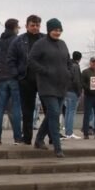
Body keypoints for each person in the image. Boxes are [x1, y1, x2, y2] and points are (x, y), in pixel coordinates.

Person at [29, 18, 72, 158]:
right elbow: (31, 60)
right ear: (49, 30)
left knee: (52, 114)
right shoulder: (40, 44)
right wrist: (45, 71)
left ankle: (39, 139)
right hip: (46, 85)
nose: (57, 33)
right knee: (54, 113)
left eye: (59, 30)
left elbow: (68, 61)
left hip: (61, 85)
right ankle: (58, 147)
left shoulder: (63, 44)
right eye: (55, 30)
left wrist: (69, 72)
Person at [7, 14, 44, 145]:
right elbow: (11, 59)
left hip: (43, 79)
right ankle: (27, 138)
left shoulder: (45, 39)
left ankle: (51, 136)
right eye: (32, 25)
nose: (35, 28)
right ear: (27, 26)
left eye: (37, 25)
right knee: (27, 110)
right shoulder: (18, 40)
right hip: (25, 79)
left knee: (49, 108)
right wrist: (17, 75)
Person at [0, 18, 23, 146]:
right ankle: (17, 138)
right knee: (16, 107)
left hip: (2, 77)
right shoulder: (17, 40)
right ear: (14, 27)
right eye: (18, 26)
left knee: (0, 108)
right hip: (14, 77)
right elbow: (22, 57)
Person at [63, 51, 83, 139]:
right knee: (72, 112)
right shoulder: (76, 66)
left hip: (66, 91)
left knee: (67, 111)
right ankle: (70, 132)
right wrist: (79, 92)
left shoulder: (68, 65)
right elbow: (77, 81)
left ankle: (67, 131)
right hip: (73, 91)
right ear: (79, 59)